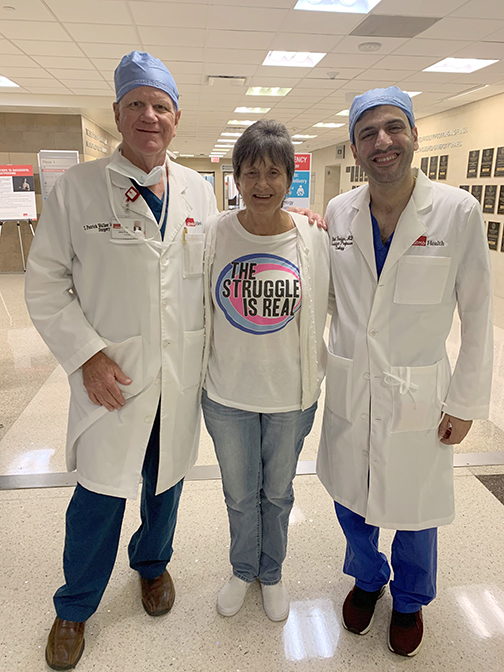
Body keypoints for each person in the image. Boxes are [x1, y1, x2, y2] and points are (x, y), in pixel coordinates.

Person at [25, 51, 218, 670]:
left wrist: (298, 224)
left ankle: (152, 566)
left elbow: (222, 262)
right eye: (136, 104)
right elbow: (46, 283)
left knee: (166, 485)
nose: (149, 116)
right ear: (116, 114)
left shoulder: (200, 190)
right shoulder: (79, 190)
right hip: (114, 376)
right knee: (99, 497)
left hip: (177, 377)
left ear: (176, 117)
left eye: (160, 106)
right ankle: (74, 606)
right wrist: (86, 358)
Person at [317, 87, 493, 656]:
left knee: (416, 507)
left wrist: (465, 402)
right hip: (352, 384)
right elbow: (325, 297)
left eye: (394, 128)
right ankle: (368, 578)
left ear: (415, 135)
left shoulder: (457, 211)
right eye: (367, 133)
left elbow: (479, 312)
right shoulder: (340, 213)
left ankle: (412, 598)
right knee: (351, 495)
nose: (382, 141)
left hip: (419, 391)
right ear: (354, 147)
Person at [200, 120, 330, 622]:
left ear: (290, 177)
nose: (262, 183)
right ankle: (241, 569)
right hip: (227, 393)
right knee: (239, 494)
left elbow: (338, 303)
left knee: (277, 493)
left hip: (290, 397)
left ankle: (271, 573)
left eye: (274, 172)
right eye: (251, 171)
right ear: (235, 178)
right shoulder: (214, 233)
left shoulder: (314, 238)